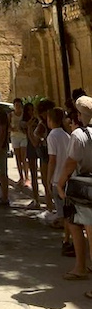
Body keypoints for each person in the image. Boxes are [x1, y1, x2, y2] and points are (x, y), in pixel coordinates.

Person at [57, 95, 92, 295]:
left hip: (84, 188)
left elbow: (71, 162)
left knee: (83, 227)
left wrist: (61, 183)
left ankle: (80, 267)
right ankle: (80, 266)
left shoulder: (79, 135)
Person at [46, 107, 71, 249]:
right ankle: (67, 237)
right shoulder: (67, 136)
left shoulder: (52, 136)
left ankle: (67, 239)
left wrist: (49, 178)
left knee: (62, 212)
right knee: (66, 210)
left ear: (50, 120)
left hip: (57, 178)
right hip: (66, 176)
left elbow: (52, 160)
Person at [9, 97, 28, 187]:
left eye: (19, 105)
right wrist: (12, 128)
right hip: (14, 137)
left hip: (23, 137)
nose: (18, 107)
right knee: (18, 158)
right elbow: (8, 126)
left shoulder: (24, 115)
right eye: (16, 105)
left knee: (23, 158)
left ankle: (27, 177)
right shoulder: (11, 115)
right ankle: (21, 177)